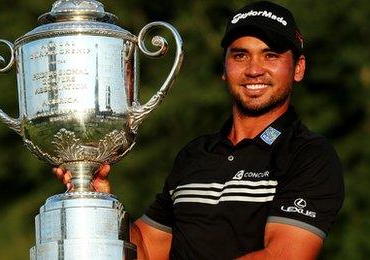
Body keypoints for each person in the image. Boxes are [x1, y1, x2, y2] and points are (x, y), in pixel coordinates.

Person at [55, 1, 344, 259]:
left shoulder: (309, 155)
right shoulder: (194, 155)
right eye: (240, 56)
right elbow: (146, 249)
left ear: (298, 68)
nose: (254, 69)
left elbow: (283, 255)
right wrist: (102, 201)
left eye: (270, 56)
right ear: (224, 68)